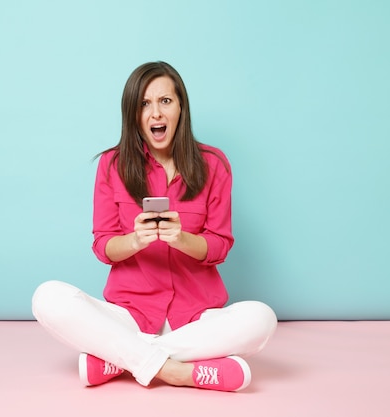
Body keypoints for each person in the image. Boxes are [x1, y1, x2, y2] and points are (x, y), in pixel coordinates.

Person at [32, 61, 277, 392]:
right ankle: (177, 372)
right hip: (130, 315)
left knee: (261, 319)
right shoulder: (112, 165)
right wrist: (135, 241)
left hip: (195, 320)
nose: (156, 113)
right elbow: (103, 246)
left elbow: (219, 246)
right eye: (144, 104)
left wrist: (182, 239)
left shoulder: (214, 164)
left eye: (165, 101)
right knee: (47, 297)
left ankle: (120, 359)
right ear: (133, 114)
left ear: (180, 107)